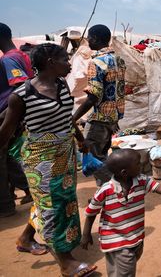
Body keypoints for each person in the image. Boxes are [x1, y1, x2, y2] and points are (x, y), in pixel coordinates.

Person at [0, 43, 96, 276]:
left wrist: (81, 139)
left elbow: (66, 119)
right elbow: (5, 132)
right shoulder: (21, 96)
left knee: (61, 201)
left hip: (65, 155)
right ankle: (65, 261)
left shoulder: (62, 85)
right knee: (51, 206)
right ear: (51, 63)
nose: (70, 63)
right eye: (65, 58)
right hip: (40, 161)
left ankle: (25, 238)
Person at [81, 148, 161, 277]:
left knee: (117, 270)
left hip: (136, 237)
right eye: (138, 164)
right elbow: (91, 212)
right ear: (124, 172)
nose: (142, 165)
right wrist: (86, 234)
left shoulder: (142, 180)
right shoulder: (105, 190)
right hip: (116, 239)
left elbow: (159, 187)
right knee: (126, 271)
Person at [73, 25, 125, 185]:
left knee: (93, 158)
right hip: (113, 116)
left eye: (89, 37)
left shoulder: (96, 62)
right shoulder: (119, 59)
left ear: (95, 38)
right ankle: (105, 193)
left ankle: (116, 190)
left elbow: (94, 96)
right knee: (102, 154)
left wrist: (74, 118)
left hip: (99, 118)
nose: (88, 41)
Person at [0, 23, 34, 216]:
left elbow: (21, 88)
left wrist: (9, 119)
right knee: (6, 156)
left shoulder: (9, 59)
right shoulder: (21, 55)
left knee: (3, 156)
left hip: (7, 114)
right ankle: (18, 193)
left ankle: (5, 204)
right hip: (12, 115)